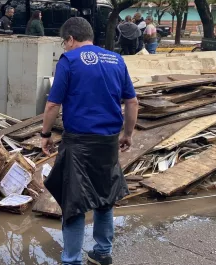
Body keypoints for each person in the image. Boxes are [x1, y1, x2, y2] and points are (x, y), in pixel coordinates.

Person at [41, 17, 139, 265]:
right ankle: (103, 252)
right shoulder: (115, 59)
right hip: (107, 142)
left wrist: (45, 134)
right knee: (104, 198)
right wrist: (127, 134)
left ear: (71, 39)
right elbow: (132, 101)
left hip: (79, 143)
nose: (65, 47)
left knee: (74, 201)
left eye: (65, 43)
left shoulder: (69, 61)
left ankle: (72, 260)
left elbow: (53, 103)